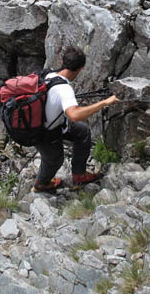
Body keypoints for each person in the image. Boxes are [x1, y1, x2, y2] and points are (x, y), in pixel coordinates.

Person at [33, 46, 119, 193]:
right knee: (54, 160)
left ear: (63, 61)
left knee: (82, 131)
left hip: (45, 122)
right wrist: (104, 103)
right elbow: (74, 115)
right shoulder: (64, 89)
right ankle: (41, 184)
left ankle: (79, 175)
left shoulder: (49, 75)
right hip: (44, 132)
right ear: (80, 69)